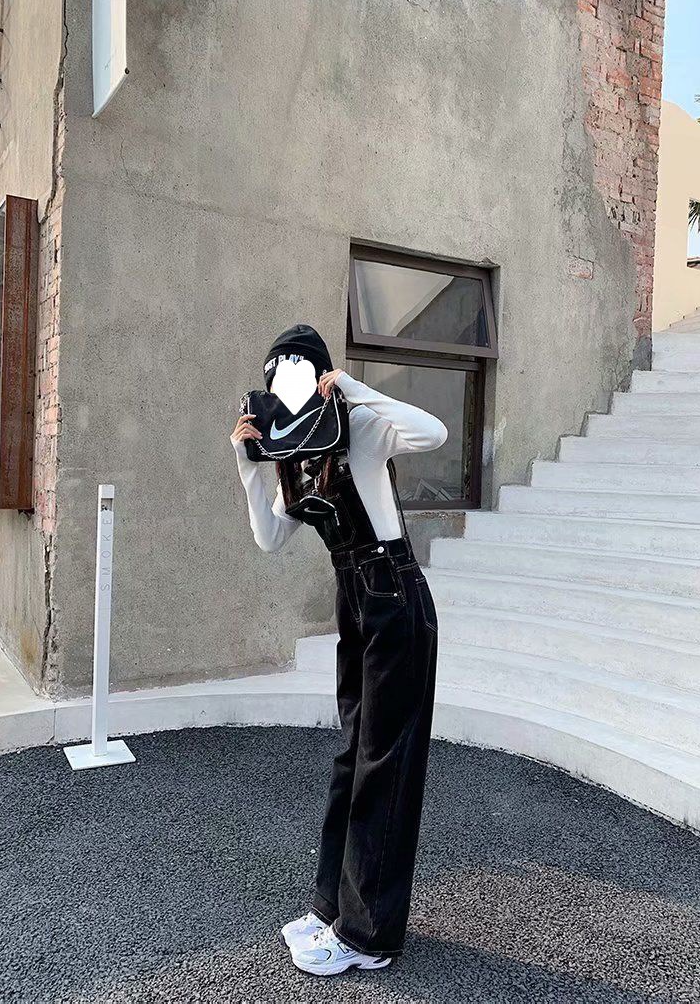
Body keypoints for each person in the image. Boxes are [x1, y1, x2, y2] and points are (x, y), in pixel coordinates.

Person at [230, 324, 447, 976]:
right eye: (277, 375)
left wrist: (354, 387)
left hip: (396, 598)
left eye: (301, 370)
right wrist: (247, 466)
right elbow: (270, 538)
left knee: (383, 765)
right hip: (356, 602)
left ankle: (368, 935)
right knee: (351, 758)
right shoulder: (295, 454)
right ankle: (331, 907)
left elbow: (433, 431)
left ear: (322, 374)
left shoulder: (361, 426)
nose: (286, 383)